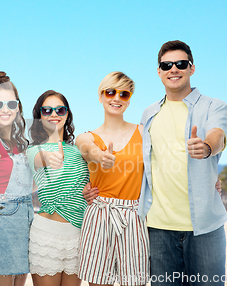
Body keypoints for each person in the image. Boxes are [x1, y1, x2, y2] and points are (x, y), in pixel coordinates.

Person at [138, 40, 227, 285]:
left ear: (192, 68)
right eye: (166, 65)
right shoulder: (149, 114)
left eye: (180, 64)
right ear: (159, 71)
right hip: (158, 227)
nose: (173, 69)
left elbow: (218, 136)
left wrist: (206, 147)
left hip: (204, 227)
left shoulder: (214, 106)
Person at [76, 72, 149, 286]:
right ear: (100, 96)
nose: (116, 98)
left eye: (124, 94)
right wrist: (101, 157)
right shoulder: (87, 137)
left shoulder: (144, 133)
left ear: (129, 100)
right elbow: (89, 151)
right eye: (110, 92)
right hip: (99, 215)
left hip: (134, 216)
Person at [27, 90, 89, 286]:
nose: (54, 114)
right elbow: (40, 159)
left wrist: (89, 192)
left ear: (67, 114)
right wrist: (49, 157)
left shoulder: (80, 150)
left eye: (60, 110)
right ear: (39, 116)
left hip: (78, 237)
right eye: (47, 110)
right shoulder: (33, 150)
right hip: (46, 236)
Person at [0, 72, 33, 286]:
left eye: (10, 103)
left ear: (18, 107)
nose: (5, 109)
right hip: (2, 221)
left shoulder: (22, 143)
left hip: (27, 222)